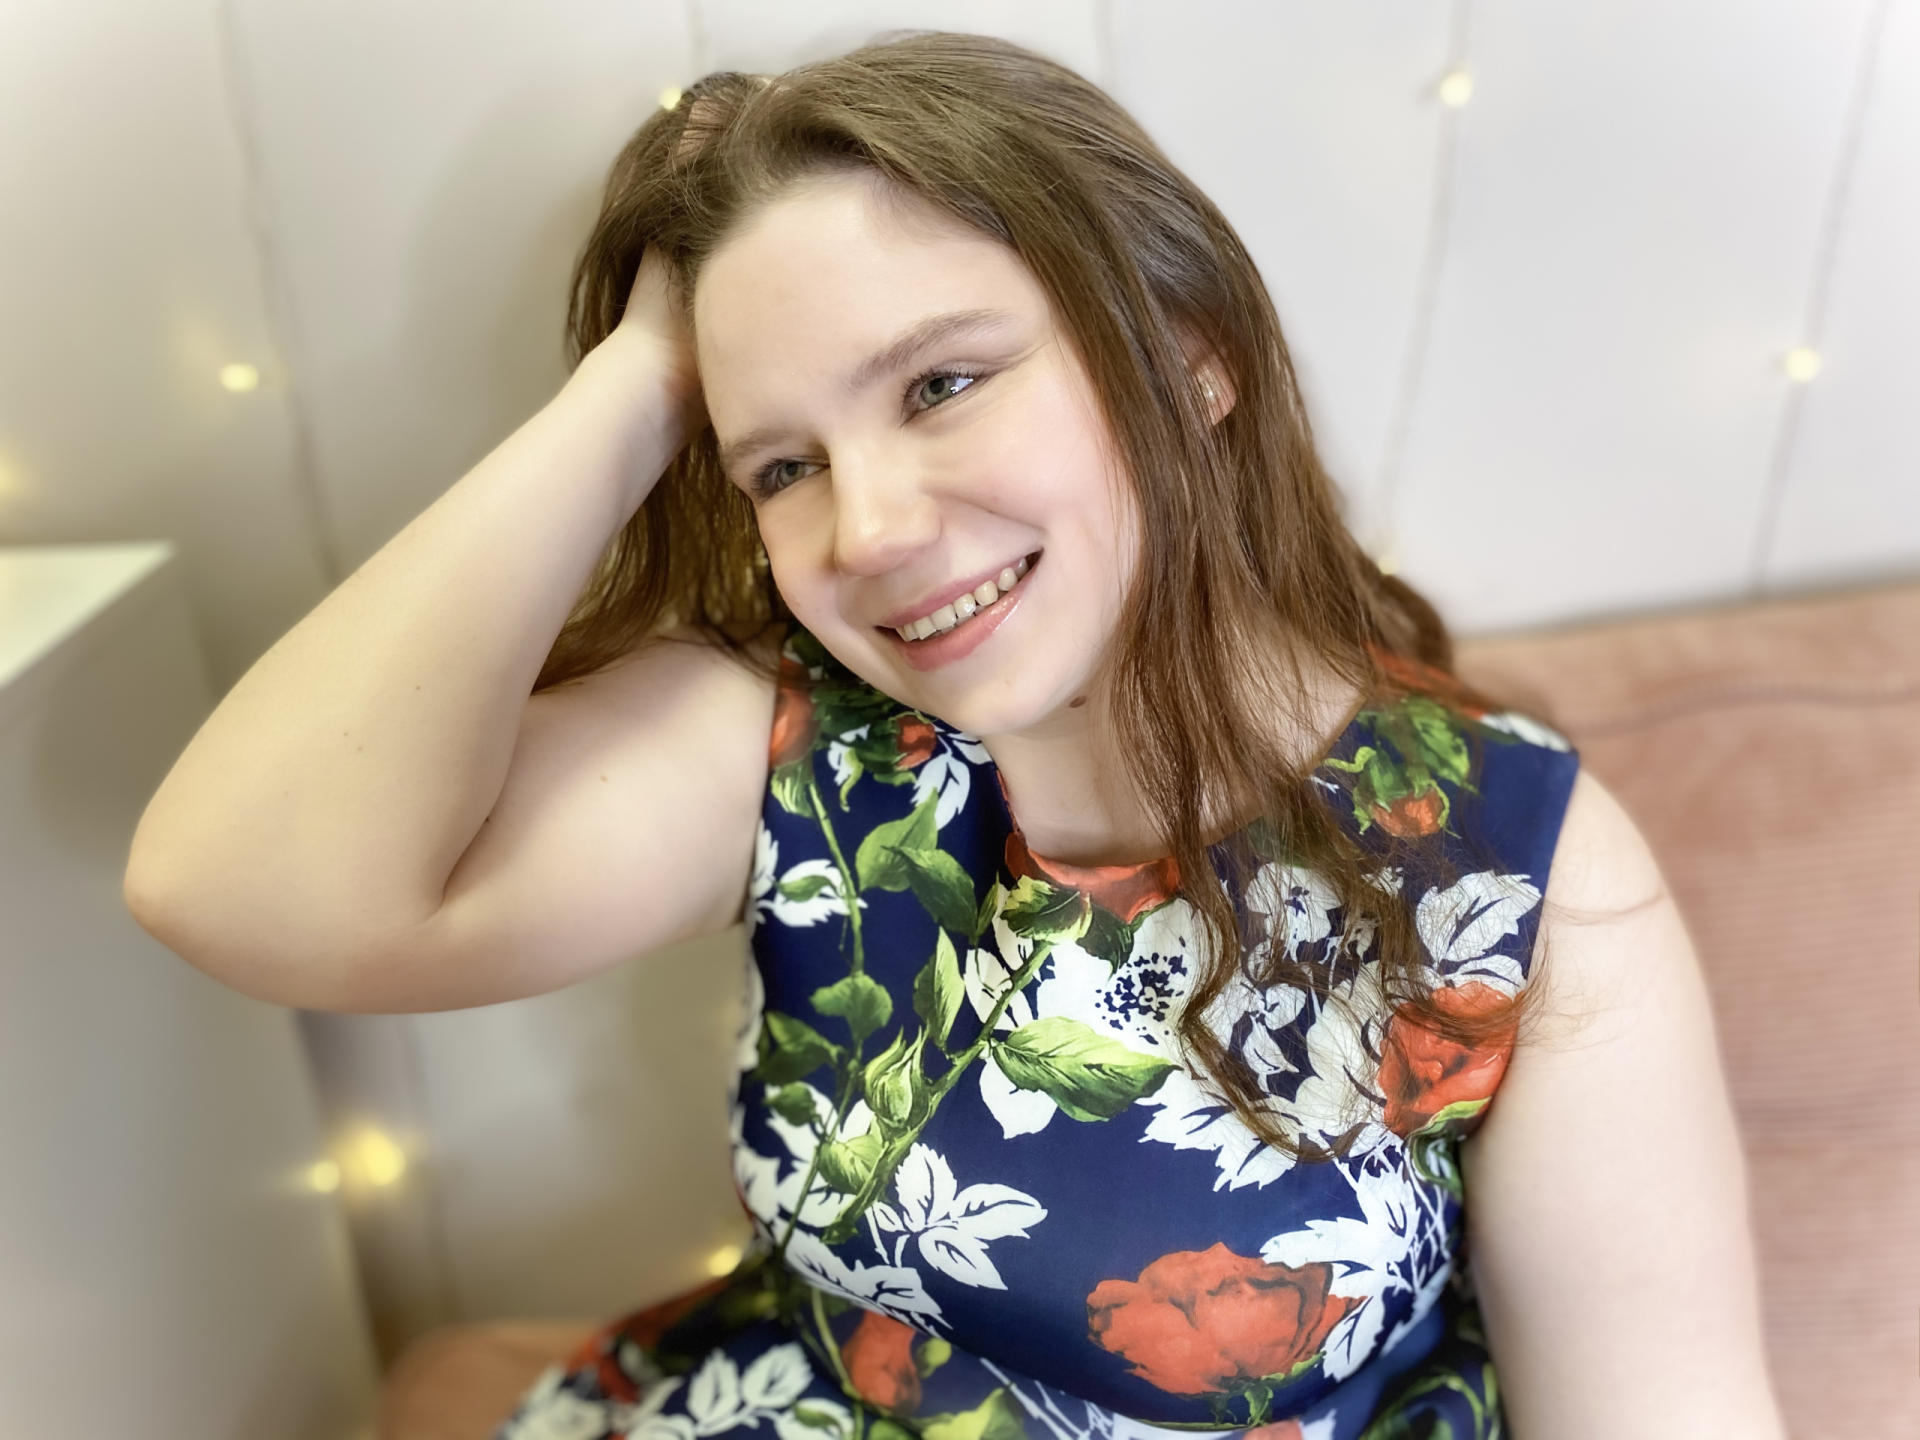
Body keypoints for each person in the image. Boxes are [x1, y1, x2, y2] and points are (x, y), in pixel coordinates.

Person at [123, 30, 1788, 1440]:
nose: (868, 531)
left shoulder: (1508, 873)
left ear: (1188, 358)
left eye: (939, 385)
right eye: (783, 465)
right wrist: (638, 384)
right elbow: (238, 887)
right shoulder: (811, 745)